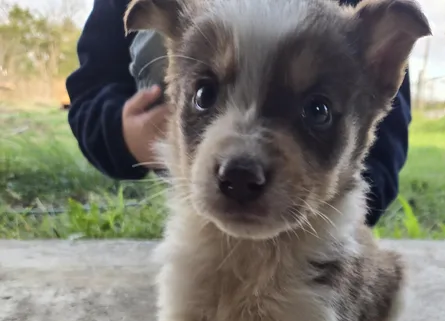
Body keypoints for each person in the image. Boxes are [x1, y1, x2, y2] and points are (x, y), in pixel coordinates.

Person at [66, 0, 413, 227]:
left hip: (316, 232)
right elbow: (91, 88)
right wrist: (120, 134)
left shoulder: (357, 42)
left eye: (315, 110)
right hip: (191, 223)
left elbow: (386, 136)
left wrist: (348, 219)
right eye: (205, 94)